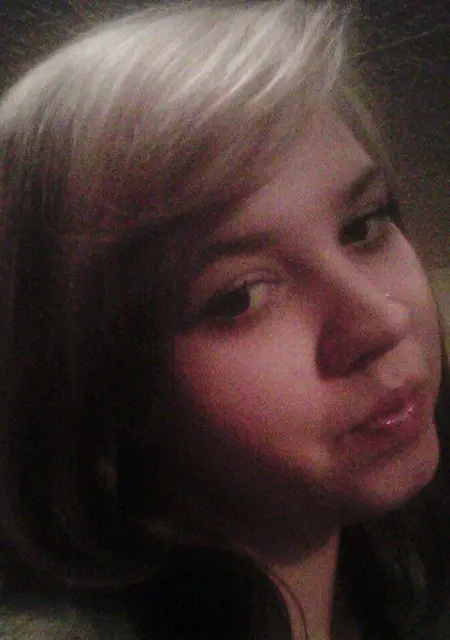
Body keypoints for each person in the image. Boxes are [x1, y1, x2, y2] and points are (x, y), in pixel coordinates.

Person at [0, 1, 449, 638]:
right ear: (93, 392)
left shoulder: (404, 580)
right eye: (240, 297)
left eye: (363, 227)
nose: (382, 321)